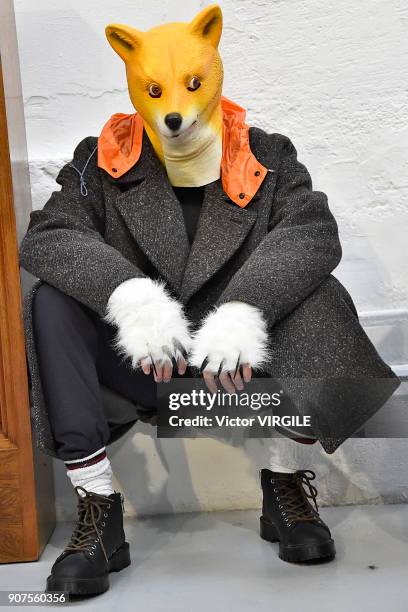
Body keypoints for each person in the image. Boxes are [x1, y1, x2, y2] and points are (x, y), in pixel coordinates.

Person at [19, 4, 399, 597]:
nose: (174, 107)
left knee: (321, 295)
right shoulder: (102, 156)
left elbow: (313, 232)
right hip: (142, 367)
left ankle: (284, 482)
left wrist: (245, 310)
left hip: (244, 371)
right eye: (157, 90)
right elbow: (48, 235)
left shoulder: (266, 154)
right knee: (51, 301)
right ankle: (98, 509)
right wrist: (132, 299)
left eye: (191, 85)